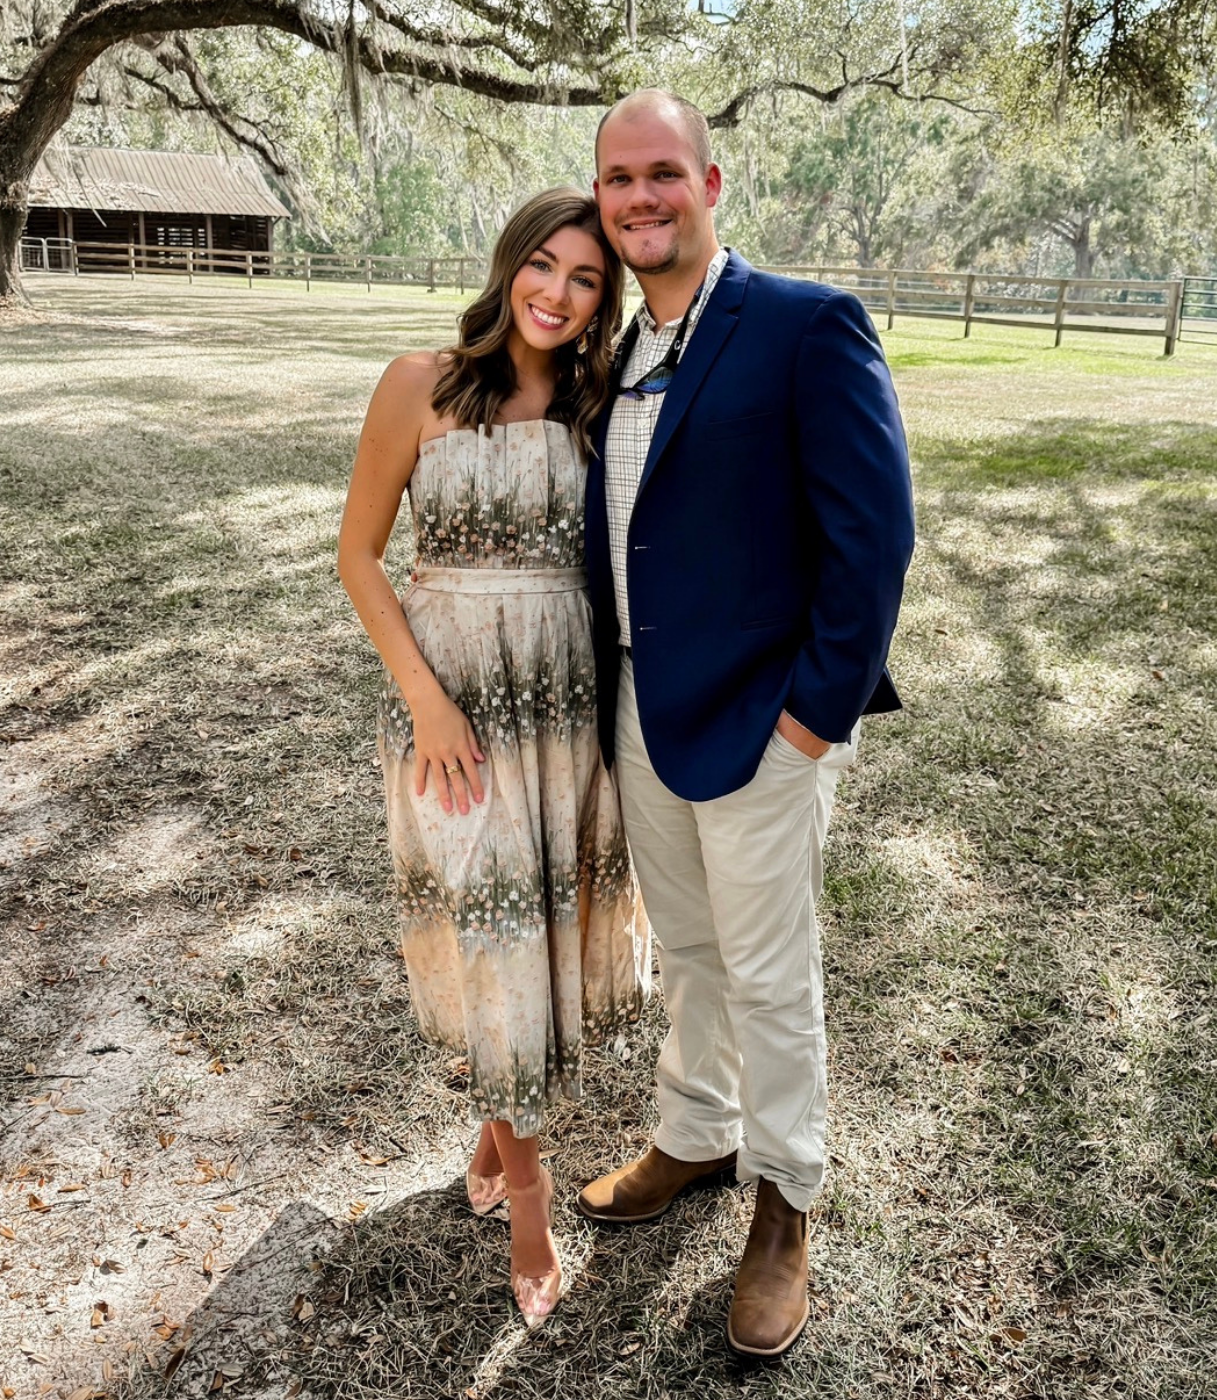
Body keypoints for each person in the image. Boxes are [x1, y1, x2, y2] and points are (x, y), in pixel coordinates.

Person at [577, 91, 916, 1358]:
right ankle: (694, 1131)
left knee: (772, 974)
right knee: (693, 950)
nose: (638, 199)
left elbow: (874, 536)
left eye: (662, 173)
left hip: (764, 726)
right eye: (617, 179)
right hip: (640, 707)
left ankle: (784, 1203)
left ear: (711, 184)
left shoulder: (802, 324)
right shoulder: (619, 346)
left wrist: (813, 722)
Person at [338, 188, 646, 1330]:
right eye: (544, 267)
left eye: (585, 281)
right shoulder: (416, 381)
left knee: (535, 943)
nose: (557, 296)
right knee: (494, 938)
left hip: (564, 706)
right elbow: (359, 554)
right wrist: (426, 701)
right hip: (451, 708)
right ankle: (527, 1197)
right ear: (508, 261)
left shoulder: (600, 401)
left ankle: (493, 1123)